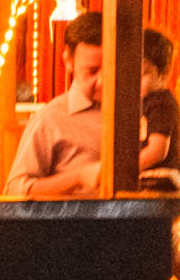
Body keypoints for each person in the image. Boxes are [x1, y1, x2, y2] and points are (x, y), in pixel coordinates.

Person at [6, 13, 115, 196]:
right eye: (92, 71)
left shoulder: (141, 110)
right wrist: (78, 177)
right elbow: (14, 192)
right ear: (68, 61)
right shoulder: (50, 118)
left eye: (112, 67)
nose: (103, 81)